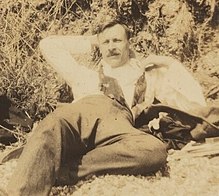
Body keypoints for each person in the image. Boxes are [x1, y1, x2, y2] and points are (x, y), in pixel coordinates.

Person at [3, 20, 207, 196]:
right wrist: (92, 40)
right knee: (55, 122)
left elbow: (190, 98)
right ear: (99, 47)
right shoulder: (84, 74)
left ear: (129, 43)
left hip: (120, 126)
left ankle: (64, 170)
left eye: (117, 40)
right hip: (84, 112)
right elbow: (48, 45)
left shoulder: (146, 75)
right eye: (106, 42)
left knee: (154, 151)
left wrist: (167, 62)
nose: (111, 47)